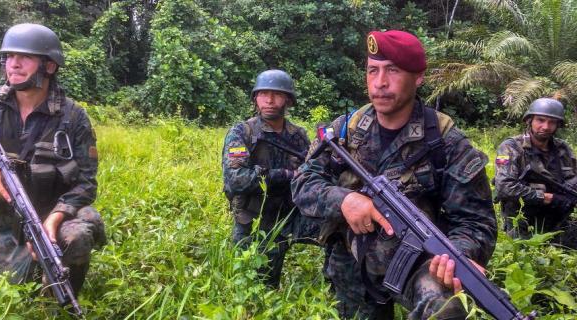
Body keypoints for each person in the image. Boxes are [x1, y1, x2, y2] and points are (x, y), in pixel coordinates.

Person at [291, 30, 497, 319]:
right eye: (372, 70)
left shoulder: (445, 142)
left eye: (393, 70)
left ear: (418, 76)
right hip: (352, 265)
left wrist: (460, 254)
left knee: (446, 308)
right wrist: (345, 200)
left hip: (421, 263)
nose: (380, 83)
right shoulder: (345, 129)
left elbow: (477, 223)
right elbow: (302, 181)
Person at [0, 23, 106, 295]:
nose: (13, 65)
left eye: (25, 57)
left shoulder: (73, 117)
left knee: (75, 237)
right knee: (18, 285)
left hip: (56, 212)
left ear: (49, 66)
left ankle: (64, 290)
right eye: (9, 57)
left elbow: (87, 183)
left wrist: (54, 220)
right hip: (6, 218)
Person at [222, 69, 310, 288]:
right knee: (251, 287)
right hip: (252, 221)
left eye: (276, 94)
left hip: (287, 217)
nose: (269, 100)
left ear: (288, 100)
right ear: (255, 98)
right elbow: (236, 179)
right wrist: (284, 175)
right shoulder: (243, 133)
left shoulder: (298, 136)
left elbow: (312, 174)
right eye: (263, 94)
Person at [494, 98, 577, 248]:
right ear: (529, 120)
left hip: (557, 221)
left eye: (552, 122)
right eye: (540, 120)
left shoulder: (562, 149)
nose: (545, 126)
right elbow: (504, 187)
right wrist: (548, 197)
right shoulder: (511, 147)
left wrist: (567, 198)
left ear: (558, 125)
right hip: (522, 223)